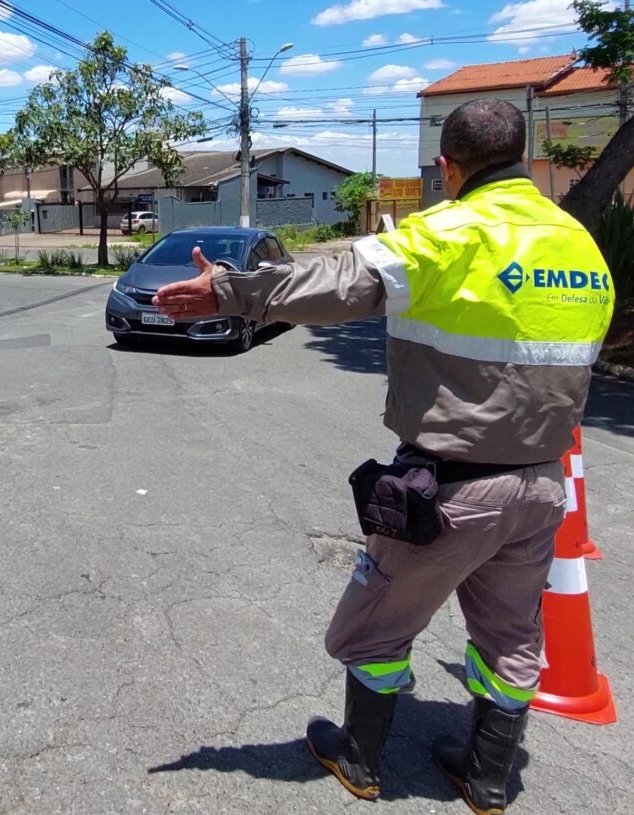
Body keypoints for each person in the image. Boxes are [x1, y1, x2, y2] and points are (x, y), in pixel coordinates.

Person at [153, 98, 614, 814]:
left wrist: (229, 289)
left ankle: (360, 759)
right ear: (522, 156)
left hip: (453, 489)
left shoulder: (450, 231)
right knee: (512, 639)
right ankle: (487, 778)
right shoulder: (577, 242)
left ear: (447, 166)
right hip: (543, 489)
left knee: (372, 630)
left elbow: (337, 282)